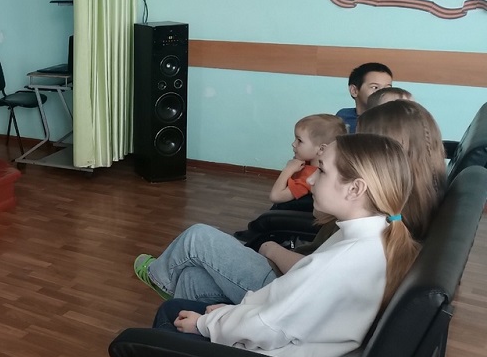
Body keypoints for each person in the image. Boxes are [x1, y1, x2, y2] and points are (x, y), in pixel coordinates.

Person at [155, 134, 418, 357]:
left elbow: (267, 327)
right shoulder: (375, 235)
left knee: (166, 318)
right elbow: (285, 305)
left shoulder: (342, 260)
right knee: (190, 283)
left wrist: (205, 324)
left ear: (355, 189)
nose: (311, 179)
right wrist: (229, 313)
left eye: (322, 170)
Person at [134, 100, 444, 304]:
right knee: (191, 279)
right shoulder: (398, 209)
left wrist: (271, 249)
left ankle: (160, 279)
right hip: (294, 281)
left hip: (288, 289)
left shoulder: (370, 231)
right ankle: (179, 346)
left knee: (198, 237)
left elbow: (306, 282)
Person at [268, 114, 346, 209]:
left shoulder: (310, 177)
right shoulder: (308, 164)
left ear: (321, 149)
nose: (293, 144)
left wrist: (288, 170)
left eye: (299, 141)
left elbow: (275, 196)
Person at [336, 62, 393, 133]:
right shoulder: (343, 117)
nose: (382, 92)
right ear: (354, 90)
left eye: (387, 88)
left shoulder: (394, 121)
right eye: (375, 87)